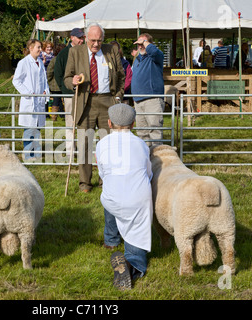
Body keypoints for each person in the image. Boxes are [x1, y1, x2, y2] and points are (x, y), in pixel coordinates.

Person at [95, 103, 153, 290]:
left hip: (112, 198)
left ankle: (111, 240)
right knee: (136, 237)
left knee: (111, 197)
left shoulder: (101, 144)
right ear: (133, 124)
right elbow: (148, 172)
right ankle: (132, 265)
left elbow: (102, 173)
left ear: (109, 123)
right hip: (138, 201)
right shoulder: (141, 144)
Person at [64, 23, 125, 193]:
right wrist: (73, 81)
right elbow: (66, 78)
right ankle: (85, 183)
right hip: (85, 102)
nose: (96, 44)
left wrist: (118, 96)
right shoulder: (75, 52)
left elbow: (121, 75)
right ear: (85, 38)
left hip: (108, 101)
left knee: (107, 144)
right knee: (84, 144)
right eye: (92, 40)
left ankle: (105, 181)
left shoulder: (111, 50)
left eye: (99, 40)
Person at [12, 39, 50, 161]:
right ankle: (28, 155)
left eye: (40, 47)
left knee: (37, 129)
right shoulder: (24, 63)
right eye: (38, 47)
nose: (40, 50)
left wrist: (46, 91)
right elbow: (16, 80)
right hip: (30, 101)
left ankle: (36, 153)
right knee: (29, 128)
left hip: (39, 100)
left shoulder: (40, 62)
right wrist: (28, 93)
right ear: (31, 48)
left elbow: (44, 80)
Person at [54, 27, 85, 157]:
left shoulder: (85, 51)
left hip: (84, 93)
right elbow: (58, 74)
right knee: (70, 122)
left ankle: (84, 150)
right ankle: (70, 151)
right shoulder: (63, 54)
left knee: (84, 122)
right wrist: (66, 89)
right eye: (79, 38)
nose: (81, 40)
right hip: (70, 94)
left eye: (83, 38)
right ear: (72, 37)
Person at [131, 33, 165, 147]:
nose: (140, 46)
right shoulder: (137, 59)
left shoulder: (156, 57)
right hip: (138, 100)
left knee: (154, 131)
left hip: (152, 99)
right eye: (138, 44)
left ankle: (157, 161)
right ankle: (145, 160)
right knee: (142, 133)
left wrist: (145, 43)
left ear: (149, 44)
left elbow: (154, 52)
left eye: (143, 44)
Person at [46, 43, 65, 121]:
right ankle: (57, 116)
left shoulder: (54, 59)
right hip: (61, 84)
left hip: (56, 85)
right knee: (59, 101)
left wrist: (49, 81)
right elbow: (50, 72)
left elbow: (49, 71)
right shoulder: (64, 59)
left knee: (57, 101)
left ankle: (55, 117)